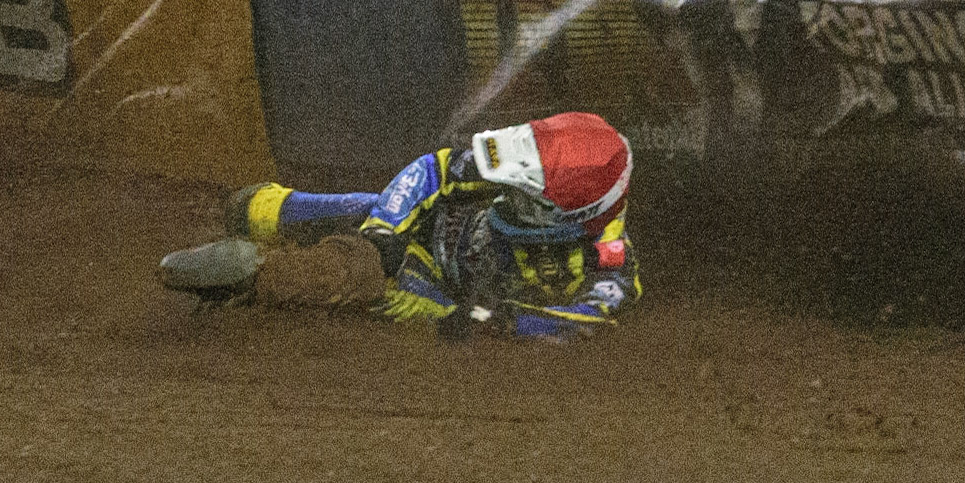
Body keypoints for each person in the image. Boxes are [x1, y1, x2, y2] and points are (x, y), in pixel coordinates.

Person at [161, 112, 640, 340]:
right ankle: (250, 212)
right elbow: (434, 168)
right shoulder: (523, 164)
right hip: (429, 227)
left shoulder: (611, 269)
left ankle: (254, 276)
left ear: (574, 219)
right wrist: (386, 230)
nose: (507, 200)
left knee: (359, 276)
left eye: (525, 201)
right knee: (356, 211)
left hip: (446, 297)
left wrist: (492, 320)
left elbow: (586, 322)